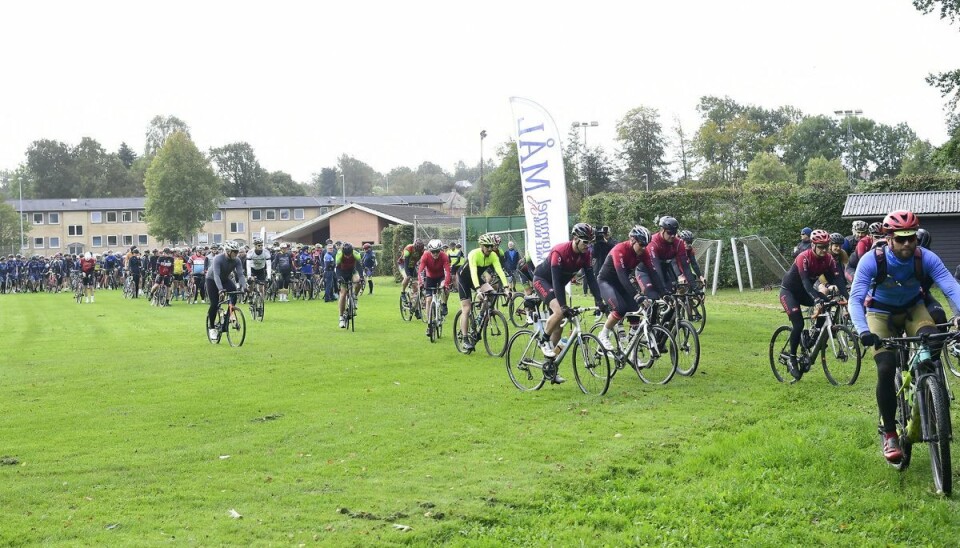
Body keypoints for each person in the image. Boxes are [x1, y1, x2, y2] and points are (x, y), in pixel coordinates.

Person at [849, 210, 960, 463]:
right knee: (886, 368)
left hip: (913, 309)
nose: (907, 243)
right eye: (900, 239)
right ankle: (889, 433)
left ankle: (926, 388)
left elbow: (951, 287)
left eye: (911, 238)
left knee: (932, 341)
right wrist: (863, 331)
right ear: (888, 239)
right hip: (880, 313)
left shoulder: (926, 258)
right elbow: (856, 299)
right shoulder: (871, 260)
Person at [532, 223, 607, 382]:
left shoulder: (585, 255)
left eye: (590, 242)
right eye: (585, 242)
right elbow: (556, 281)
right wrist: (564, 306)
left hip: (556, 285)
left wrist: (599, 300)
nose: (588, 246)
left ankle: (550, 368)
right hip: (543, 280)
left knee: (558, 330)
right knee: (559, 312)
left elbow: (591, 279)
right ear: (575, 239)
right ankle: (543, 340)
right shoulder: (560, 252)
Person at [778, 229, 847, 380]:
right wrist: (816, 299)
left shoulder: (829, 259)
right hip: (789, 292)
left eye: (826, 246)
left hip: (803, 292)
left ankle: (813, 337)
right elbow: (805, 283)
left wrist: (848, 298)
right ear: (813, 245)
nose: (824, 250)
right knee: (798, 324)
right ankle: (792, 357)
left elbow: (839, 281)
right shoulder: (804, 257)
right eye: (820, 246)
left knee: (827, 305)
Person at [596, 225, 655, 350]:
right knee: (621, 308)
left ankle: (631, 348)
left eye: (646, 245)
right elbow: (622, 276)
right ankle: (603, 334)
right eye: (641, 244)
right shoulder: (620, 249)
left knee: (635, 312)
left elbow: (653, 272)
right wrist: (636, 295)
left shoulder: (643, 252)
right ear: (633, 240)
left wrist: (663, 292)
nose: (644, 248)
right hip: (606, 282)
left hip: (621, 283)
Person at [457, 233, 509, 352]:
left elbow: (500, 271)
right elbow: (474, 272)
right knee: (466, 308)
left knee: (490, 293)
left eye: (491, 246)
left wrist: (506, 288)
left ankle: (480, 316)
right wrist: (478, 289)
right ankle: (465, 339)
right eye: (487, 246)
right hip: (464, 279)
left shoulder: (493, 256)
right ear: (481, 245)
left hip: (476, 279)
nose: (489, 249)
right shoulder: (474, 254)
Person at [205, 242, 248, 340]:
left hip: (225, 279)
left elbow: (240, 274)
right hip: (212, 280)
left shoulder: (237, 260)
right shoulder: (218, 259)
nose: (236, 254)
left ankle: (228, 313)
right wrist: (220, 290)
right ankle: (212, 328)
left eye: (237, 252)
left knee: (234, 293)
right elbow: (216, 275)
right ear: (228, 251)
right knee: (214, 304)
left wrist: (244, 287)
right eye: (234, 252)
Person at [648, 216, 693, 293]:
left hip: (665, 270)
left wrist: (695, 288)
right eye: (669, 232)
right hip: (648, 270)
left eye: (674, 233)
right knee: (655, 295)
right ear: (662, 230)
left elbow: (685, 267)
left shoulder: (679, 243)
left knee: (672, 293)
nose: (672, 235)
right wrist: (663, 289)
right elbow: (656, 267)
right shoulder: (653, 242)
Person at [418, 239, 452, 336]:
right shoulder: (425, 255)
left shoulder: (444, 256)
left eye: (437, 251)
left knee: (445, 288)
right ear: (430, 251)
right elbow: (420, 271)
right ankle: (429, 324)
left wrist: (445, 284)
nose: (435, 254)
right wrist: (421, 283)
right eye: (433, 252)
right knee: (428, 300)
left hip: (441, 277)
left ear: (440, 250)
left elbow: (447, 271)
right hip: (430, 277)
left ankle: (444, 304)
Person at [335, 243, 363, 328]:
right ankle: (341, 318)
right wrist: (339, 278)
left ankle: (354, 296)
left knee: (358, 281)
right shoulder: (339, 254)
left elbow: (359, 266)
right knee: (343, 294)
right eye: (346, 255)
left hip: (352, 271)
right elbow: (337, 268)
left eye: (349, 254)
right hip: (342, 273)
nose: (347, 256)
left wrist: (361, 277)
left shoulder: (356, 254)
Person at [399, 239, 425, 307]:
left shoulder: (422, 251)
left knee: (416, 285)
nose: (417, 252)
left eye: (419, 251)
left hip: (412, 266)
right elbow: (406, 263)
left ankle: (414, 305)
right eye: (416, 250)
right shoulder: (408, 249)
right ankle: (403, 292)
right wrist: (408, 275)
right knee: (407, 277)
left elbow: (422, 262)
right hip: (403, 265)